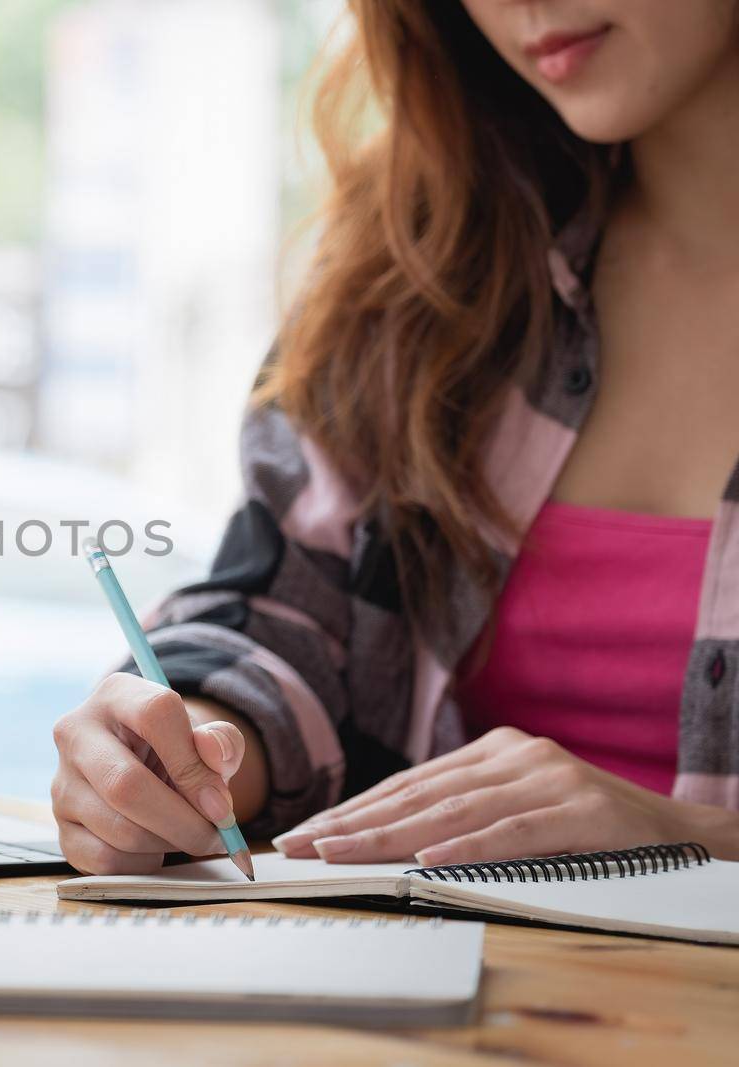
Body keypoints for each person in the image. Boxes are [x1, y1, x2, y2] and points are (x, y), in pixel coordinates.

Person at [51, 0, 739, 874]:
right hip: (462, 997)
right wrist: (179, 754)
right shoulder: (426, 269)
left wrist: (696, 842)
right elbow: (291, 615)